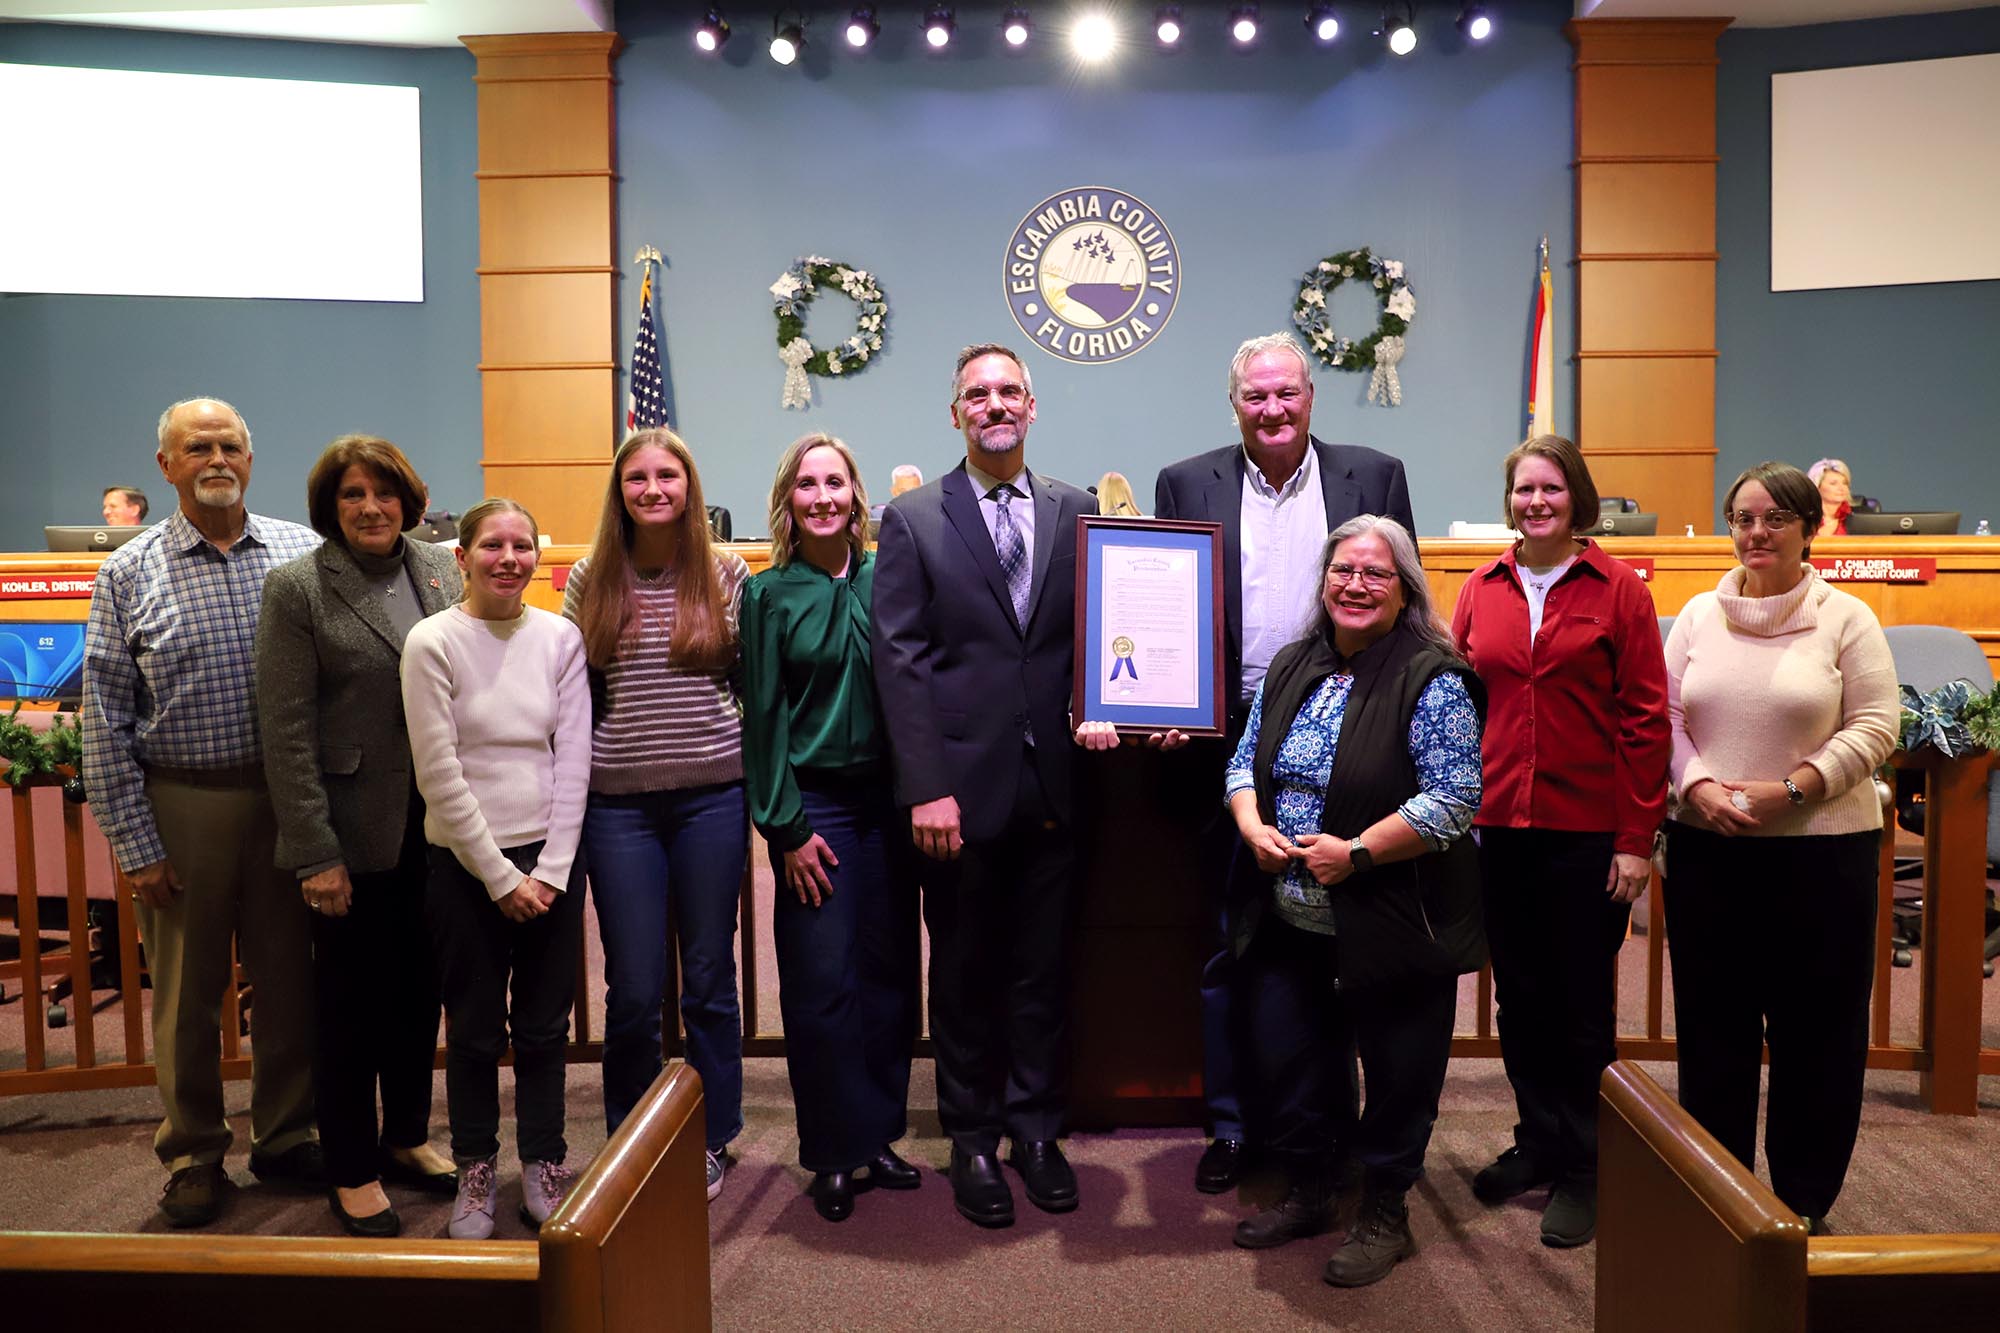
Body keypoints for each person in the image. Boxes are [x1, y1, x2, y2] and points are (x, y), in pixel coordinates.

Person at [872, 342, 1153, 1229]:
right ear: (955, 412)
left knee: (1043, 967)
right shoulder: (914, 518)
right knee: (961, 971)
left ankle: (1037, 1129)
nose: (994, 406)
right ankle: (972, 1136)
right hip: (956, 791)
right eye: (976, 395)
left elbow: (1108, 636)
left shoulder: (1079, 513)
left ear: (1033, 407)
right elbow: (901, 661)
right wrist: (924, 786)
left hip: (1062, 785)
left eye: (1008, 392)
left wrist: (1113, 701)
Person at [1153, 331, 1416, 1194]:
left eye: (1286, 394)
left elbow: (1400, 604)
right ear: (1235, 404)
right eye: (1255, 396)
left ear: (1311, 397)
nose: (1272, 410)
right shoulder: (1187, 483)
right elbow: (1163, 610)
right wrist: (1159, 695)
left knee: (1337, 940)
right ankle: (1233, 1125)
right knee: (1230, 944)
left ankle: (1331, 1127)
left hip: (1345, 740)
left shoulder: (1373, 475)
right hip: (1220, 745)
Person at [1223, 515, 1484, 1289]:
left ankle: (1386, 1210)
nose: (1356, 584)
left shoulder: (1433, 674)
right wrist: (1252, 825)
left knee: (1400, 1071)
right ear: (1324, 579)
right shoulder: (1294, 660)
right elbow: (1244, 759)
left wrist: (1360, 850)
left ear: (1404, 587)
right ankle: (1312, 1185)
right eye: (1343, 569)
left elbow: (1455, 797)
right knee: (1298, 1058)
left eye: (1375, 572)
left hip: (1393, 917)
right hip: (1292, 915)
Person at [81, 397, 323, 1228]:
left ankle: (289, 1133)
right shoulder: (128, 571)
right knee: (185, 994)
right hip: (182, 799)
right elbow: (105, 717)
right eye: (197, 447)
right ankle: (191, 1151)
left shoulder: (302, 550)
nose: (215, 458)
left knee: (291, 980)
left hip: (287, 798)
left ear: (251, 458)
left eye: (229, 444)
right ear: (167, 466)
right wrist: (135, 841)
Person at [1663, 461, 1898, 1235]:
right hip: (1710, 851)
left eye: (1774, 518)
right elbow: (1662, 718)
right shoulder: (1698, 614)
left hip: (1821, 855)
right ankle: (1723, 1198)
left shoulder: (1846, 618)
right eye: (1742, 518)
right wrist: (1696, 785)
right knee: (1712, 1030)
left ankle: (1800, 1204)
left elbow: (1875, 726)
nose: (1755, 532)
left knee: (1818, 1036)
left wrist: (1792, 787)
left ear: (1809, 527)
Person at [1449, 435, 1670, 1248]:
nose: (1535, 502)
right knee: (1521, 1000)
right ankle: (1539, 1138)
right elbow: (1460, 699)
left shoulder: (1619, 590)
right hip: (1500, 828)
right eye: (1522, 490)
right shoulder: (1481, 586)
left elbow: (1646, 719)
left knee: (1580, 1008)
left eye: (1549, 488)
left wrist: (1635, 838)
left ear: (1577, 496)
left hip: (1587, 833)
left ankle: (1588, 1164)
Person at [256, 435, 463, 1237]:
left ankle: (407, 1134)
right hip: (351, 833)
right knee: (349, 1006)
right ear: (329, 508)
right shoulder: (298, 587)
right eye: (352, 495)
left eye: (384, 492)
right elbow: (285, 730)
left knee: (421, 992)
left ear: (409, 499)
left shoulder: (442, 568)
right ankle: (351, 1165)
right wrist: (315, 851)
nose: (370, 507)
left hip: (440, 824)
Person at [562, 427, 750, 1203]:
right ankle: (631, 1136)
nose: (653, 489)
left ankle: (712, 1136)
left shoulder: (726, 569)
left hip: (711, 795)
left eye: (667, 474)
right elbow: (569, 689)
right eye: (637, 477)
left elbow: (748, 680)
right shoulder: (587, 575)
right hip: (619, 806)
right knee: (634, 987)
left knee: (708, 976)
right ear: (620, 491)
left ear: (689, 485)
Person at [742, 432, 921, 1223]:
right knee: (822, 984)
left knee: (888, 979)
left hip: (889, 806)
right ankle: (833, 1149)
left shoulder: (891, 580)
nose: (822, 497)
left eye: (835, 482)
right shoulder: (769, 592)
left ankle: (880, 1132)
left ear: (857, 496)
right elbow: (764, 718)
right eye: (807, 484)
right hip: (816, 810)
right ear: (789, 500)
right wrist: (785, 828)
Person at [402, 497, 591, 1240]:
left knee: (546, 1027)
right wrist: (499, 876)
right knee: (476, 1031)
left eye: (522, 546)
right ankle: (476, 1166)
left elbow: (574, 757)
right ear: (461, 557)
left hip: (550, 862)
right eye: (492, 546)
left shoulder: (559, 636)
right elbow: (438, 770)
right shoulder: (432, 641)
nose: (509, 559)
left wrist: (551, 869)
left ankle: (544, 1159)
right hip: (463, 866)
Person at [1807, 457, 1854, 539]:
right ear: (1817, 487)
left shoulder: (1855, 519)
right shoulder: (1804, 520)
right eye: (1833, 483)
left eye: (1845, 483)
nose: (1841, 488)